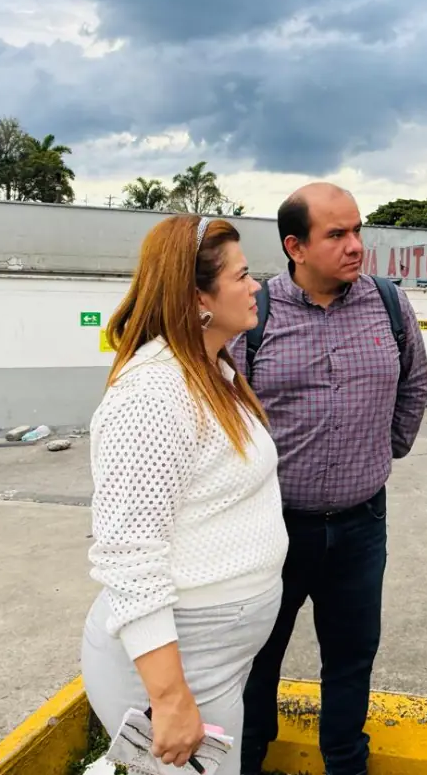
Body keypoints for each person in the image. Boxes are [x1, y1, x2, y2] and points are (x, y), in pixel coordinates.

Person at [233, 182, 427, 775]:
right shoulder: (256, 314)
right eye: (337, 234)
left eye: (357, 230)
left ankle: (345, 763)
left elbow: (414, 384)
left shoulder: (388, 304)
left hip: (361, 525)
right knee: (257, 658)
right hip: (272, 529)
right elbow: (227, 411)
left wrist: (385, 451)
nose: (355, 246)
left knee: (351, 658)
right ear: (295, 246)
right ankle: (246, 759)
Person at [81, 215, 289, 775]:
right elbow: (129, 556)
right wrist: (170, 698)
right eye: (242, 276)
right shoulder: (152, 394)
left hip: (215, 659)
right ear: (198, 297)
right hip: (178, 665)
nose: (256, 286)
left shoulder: (211, 371)